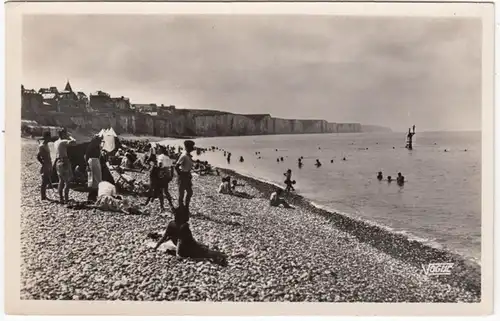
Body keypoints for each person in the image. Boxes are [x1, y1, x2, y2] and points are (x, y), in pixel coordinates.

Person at [54, 129, 77, 203]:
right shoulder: (63, 141)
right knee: (67, 182)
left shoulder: (56, 142)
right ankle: (66, 199)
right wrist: (70, 136)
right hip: (64, 161)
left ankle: (61, 198)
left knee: (61, 181)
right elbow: (74, 143)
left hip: (58, 161)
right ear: (63, 134)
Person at [176, 140, 195, 216]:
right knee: (181, 194)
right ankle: (181, 208)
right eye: (191, 147)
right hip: (183, 176)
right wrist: (180, 175)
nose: (192, 149)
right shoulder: (183, 155)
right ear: (187, 147)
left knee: (190, 192)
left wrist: (188, 174)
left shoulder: (188, 155)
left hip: (187, 175)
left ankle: (186, 207)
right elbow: (176, 166)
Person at [85, 135, 103, 202]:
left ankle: (95, 195)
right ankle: (91, 196)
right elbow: (86, 155)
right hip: (92, 161)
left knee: (97, 179)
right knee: (92, 179)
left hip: (96, 161)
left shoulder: (97, 147)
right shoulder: (91, 146)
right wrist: (87, 165)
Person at [37, 131, 53, 201]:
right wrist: (43, 163)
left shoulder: (46, 145)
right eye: (49, 137)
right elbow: (38, 156)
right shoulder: (42, 146)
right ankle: (43, 196)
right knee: (44, 181)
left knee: (46, 180)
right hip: (46, 164)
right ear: (46, 137)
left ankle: (44, 195)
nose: (50, 138)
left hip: (48, 164)